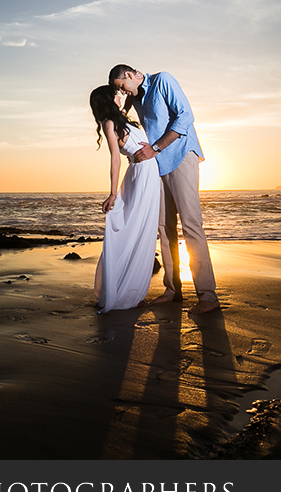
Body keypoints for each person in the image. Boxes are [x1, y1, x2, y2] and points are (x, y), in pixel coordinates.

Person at [109, 65, 220, 315]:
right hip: (156, 166)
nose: (123, 91)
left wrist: (155, 148)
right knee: (163, 227)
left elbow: (186, 117)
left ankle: (208, 295)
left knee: (191, 224)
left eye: (121, 86)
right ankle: (172, 290)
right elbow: (122, 119)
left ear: (129, 75)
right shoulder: (135, 98)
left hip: (181, 156)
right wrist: (117, 103)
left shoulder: (163, 80)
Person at [89, 85, 161, 313]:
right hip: (140, 176)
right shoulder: (109, 124)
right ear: (108, 100)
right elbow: (115, 160)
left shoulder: (121, 118)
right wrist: (112, 193)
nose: (120, 96)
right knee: (137, 231)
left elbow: (129, 97)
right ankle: (127, 293)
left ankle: (133, 290)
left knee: (144, 231)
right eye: (115, 94)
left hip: (148, 173)